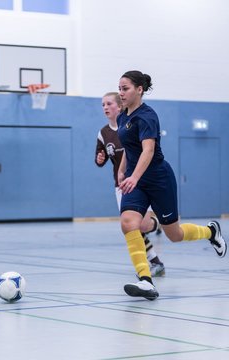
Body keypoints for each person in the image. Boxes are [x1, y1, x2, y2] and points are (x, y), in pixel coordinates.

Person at [117, 70, 227, 301]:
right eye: (119, 88)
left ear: (139, 89)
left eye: (125, 88)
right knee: (129, 223)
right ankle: (146, 281)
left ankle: (210, 231)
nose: (121, 93)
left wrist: (134, 176)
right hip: (135, 180)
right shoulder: (122, 117)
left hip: (158, 179)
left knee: (174, 235)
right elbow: (130, 147)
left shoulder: (147, 116)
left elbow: (148, 150)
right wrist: (122, 168)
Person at [95, 91, 165, 277]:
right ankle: (153, 263)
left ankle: (157, 224)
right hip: (121, 186)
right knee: (131, 227)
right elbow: (99, 158)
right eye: (103, 105)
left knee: (142, 225)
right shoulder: (103, 133)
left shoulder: (131, 126)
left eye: (109, 104)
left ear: (120, 106)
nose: (105, 108)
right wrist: (100, 158)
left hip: (140, 182)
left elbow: (147, 151)